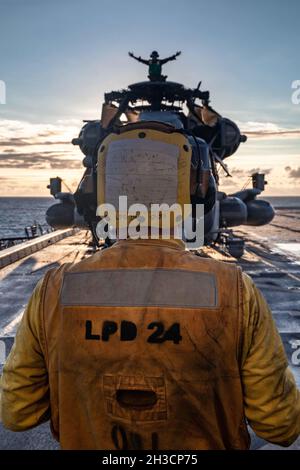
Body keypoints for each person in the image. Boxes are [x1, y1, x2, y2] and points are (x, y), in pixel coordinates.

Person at [0, 123, 300, 450]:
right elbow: (280, 425)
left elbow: (18, 413)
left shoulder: (53, 289)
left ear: (99, 193)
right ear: (199, 192)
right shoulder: (235, 290)